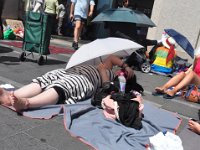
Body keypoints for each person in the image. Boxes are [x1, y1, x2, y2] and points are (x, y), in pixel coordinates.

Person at [0, 55, 134, 112]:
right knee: (45, 78)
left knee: (65, 86)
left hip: (86, 80)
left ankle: (26, 103)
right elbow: (111, 58)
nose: (121, 70)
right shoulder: (105, 64)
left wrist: (110, 77)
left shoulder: (113, 78)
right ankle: (11, 96)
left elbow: (106, 85)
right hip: (71, 70)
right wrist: (126, 66)